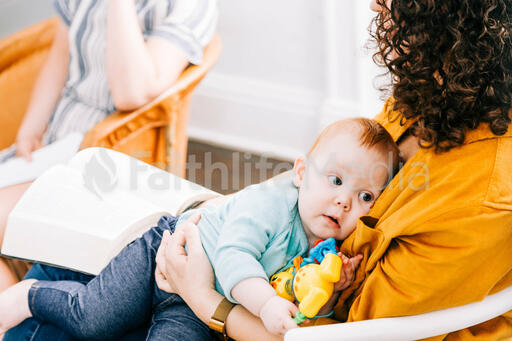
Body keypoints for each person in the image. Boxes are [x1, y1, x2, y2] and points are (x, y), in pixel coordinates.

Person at [153, 0, 512, 340]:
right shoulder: (442, 92)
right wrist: (213, 211)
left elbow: (352, 337)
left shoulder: (481, 199)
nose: (375, 4)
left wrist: (203, 299)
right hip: (269, 292)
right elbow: (328, 174)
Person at [0, 118, 400, 340]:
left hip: (197, 302)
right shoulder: (270, 204)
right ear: (300, 172)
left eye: (365, 196)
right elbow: (233, 257)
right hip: (165, 254)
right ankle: (28, 297)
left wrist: (330, 294)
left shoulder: (331, 247)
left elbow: (302, 300)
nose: (345, 201)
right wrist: (265, 305)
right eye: (335, 180)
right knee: (94, 318)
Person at [0, 0, 218, 290]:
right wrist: (31, 127)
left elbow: (131, 93)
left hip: (104, 159)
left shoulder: (188, 6)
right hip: (53, 144)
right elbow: (61, 55)